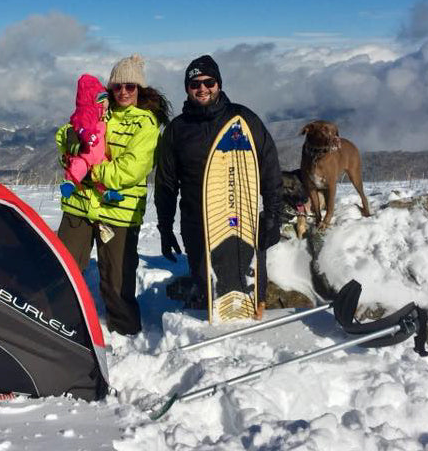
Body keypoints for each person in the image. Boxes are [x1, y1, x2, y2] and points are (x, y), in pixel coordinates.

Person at [154, 54, 283, 320]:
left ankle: (255, 334)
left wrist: (273, 216)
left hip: (243, 220)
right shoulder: (178, 129)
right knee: (208, 293)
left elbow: (269, 170)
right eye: (195, 84)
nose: (202, 88)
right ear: (187, 88)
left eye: (208, 81)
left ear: (219, 83)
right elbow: (166, 183)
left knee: (249, 288)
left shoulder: (243, 119)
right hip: (196, 222)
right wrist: (165, 227)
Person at [55, 54, 170, 335]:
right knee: (62, 269)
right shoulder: (98, 109)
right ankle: (54, 322)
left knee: (117, 280)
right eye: (117, 86)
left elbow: (132, 168)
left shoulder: (145, 123)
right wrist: (68, 145)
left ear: (140, 88)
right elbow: (66, 143)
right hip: (80, 206)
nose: (123, 92)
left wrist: (92, 172)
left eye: (130, 87)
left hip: (119, 212)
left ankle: (125, 331)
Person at [59, 74, 122, 202]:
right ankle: (69, 183)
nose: (105, 112)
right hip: (86, 154)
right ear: (95, 105)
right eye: (103, 109)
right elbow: (80, 127)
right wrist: (88, 136)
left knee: (104, 170)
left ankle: (107, 192)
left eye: (106, 109)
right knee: (79, 166)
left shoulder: (101, 118)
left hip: (99, 155)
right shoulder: (85, 115)